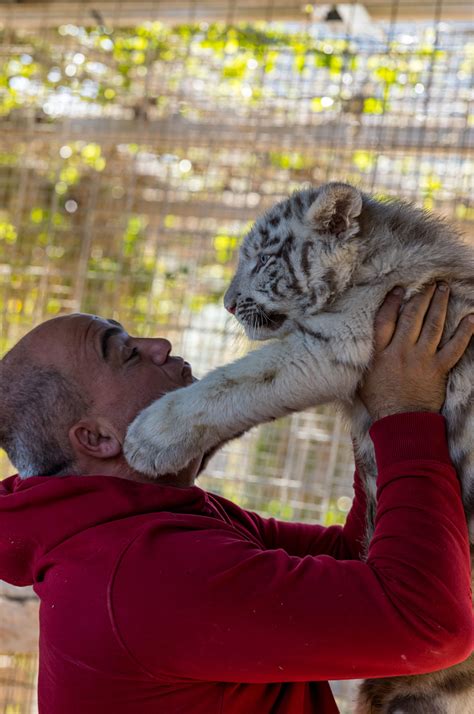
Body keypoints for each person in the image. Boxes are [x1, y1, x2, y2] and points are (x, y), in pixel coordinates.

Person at [0, 283, 472, 714]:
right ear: (98, 438)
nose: (159, 346)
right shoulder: (139, 573)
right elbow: (428, 623)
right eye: (126, 354)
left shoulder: (145, 519)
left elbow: (358, 556)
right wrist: (403, 410)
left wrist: (373, 400)